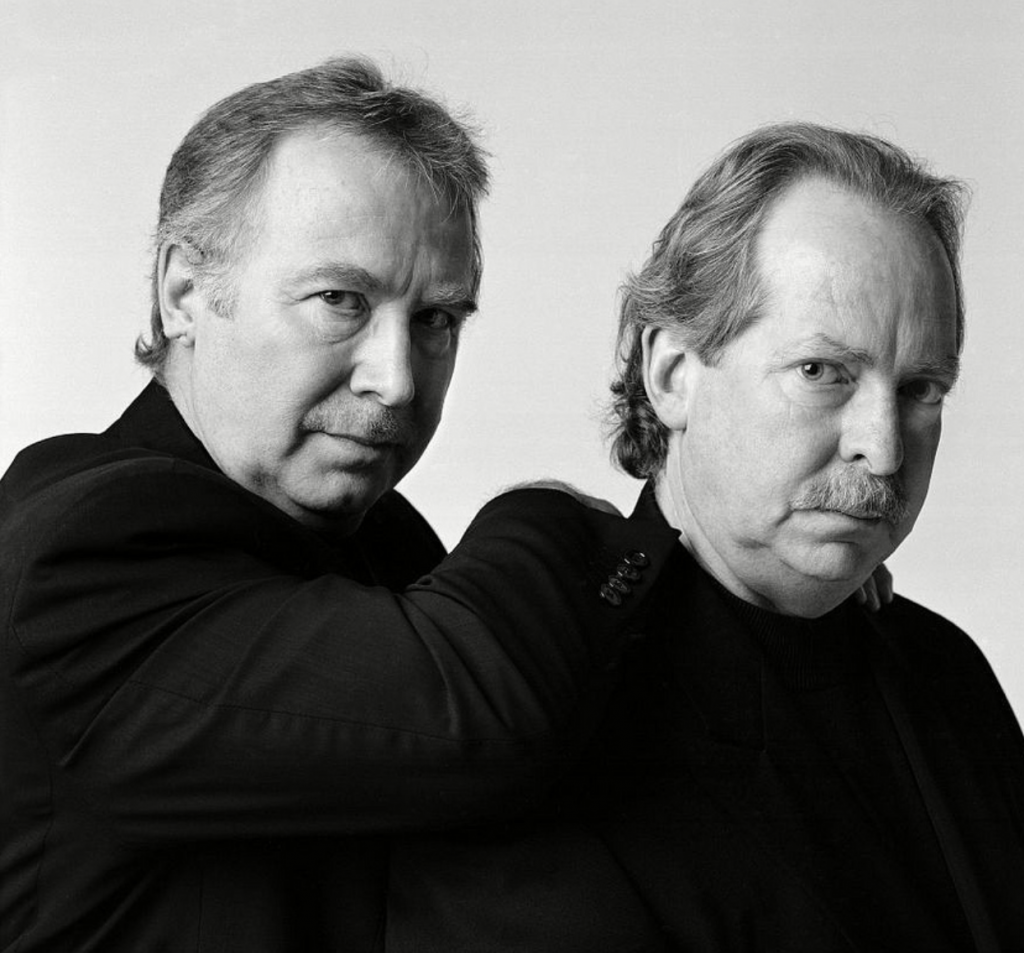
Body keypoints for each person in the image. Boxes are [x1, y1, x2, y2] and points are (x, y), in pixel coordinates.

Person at [0, 58, 682, 952]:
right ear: (183, 293)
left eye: (437, 319)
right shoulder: (83, 547)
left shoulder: (381, 540)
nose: (396, 380)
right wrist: (555, 509)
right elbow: (481, 716)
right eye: (340, 300)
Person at [384, 124, 1024, 952]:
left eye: (921, 388)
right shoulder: (539, 711)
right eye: (821, 371)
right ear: (672, 373)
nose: (885, 446)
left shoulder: (947, 671)